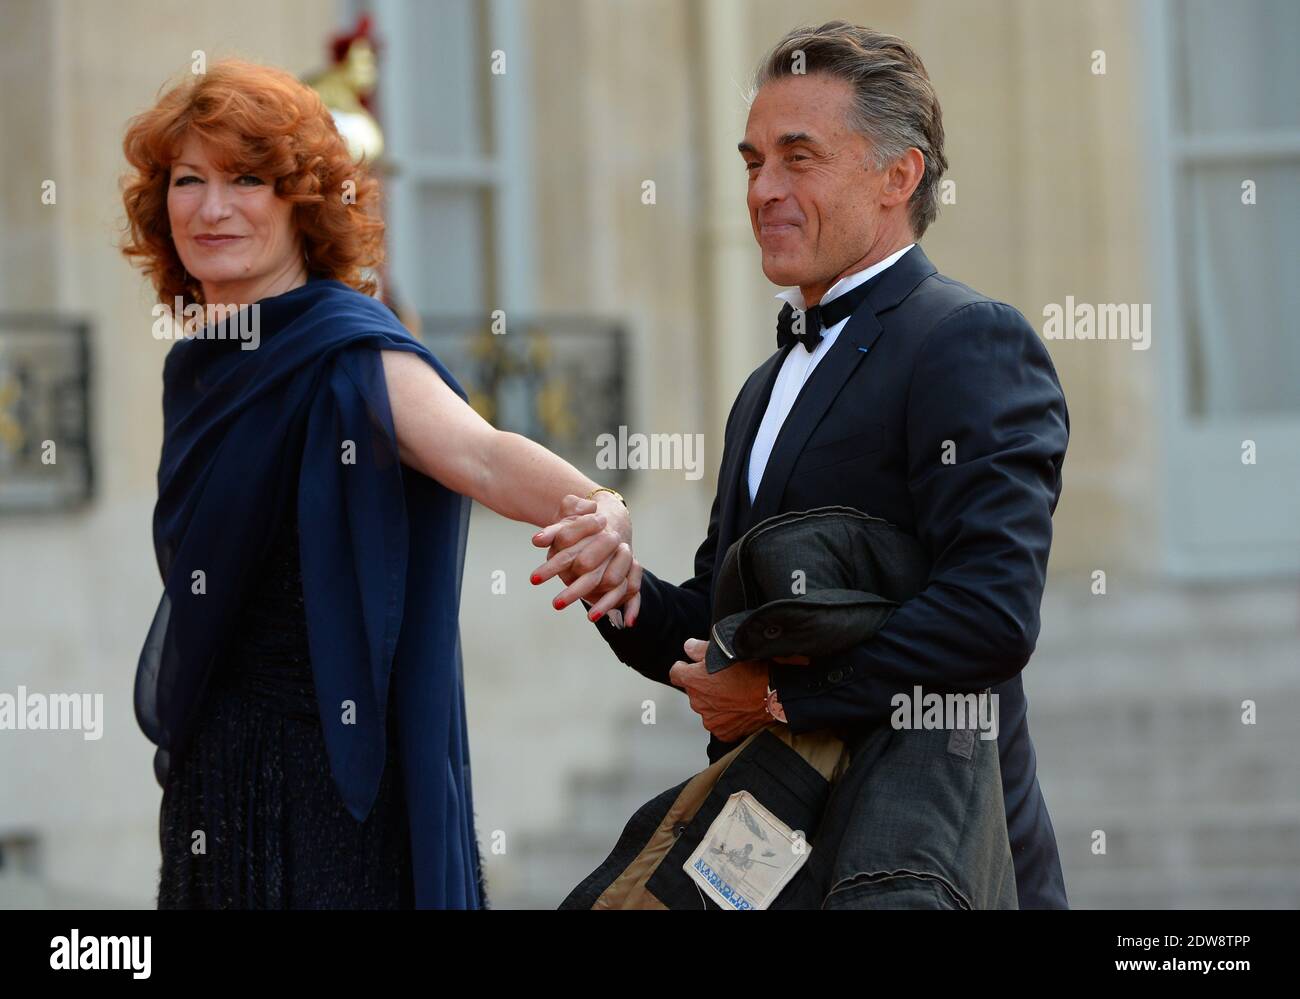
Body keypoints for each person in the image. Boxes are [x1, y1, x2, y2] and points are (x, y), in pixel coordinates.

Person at [534, 22, 1071, 909]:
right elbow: (721, 630)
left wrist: (781, 698)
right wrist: (615, 584)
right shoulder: (763, 386)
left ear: (900, 174)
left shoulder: (967, 339)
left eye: (798, 158)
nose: (763, 191)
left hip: (935, 855)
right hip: (781, 859)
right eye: (752, 163)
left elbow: (991, 613)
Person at [121, 59, 640, 909]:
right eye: (189, 180)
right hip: (218, 782)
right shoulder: (203, 366)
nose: (212, 208)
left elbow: (481, 454)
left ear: (301, 202)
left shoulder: (346, 347)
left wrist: (601, 507)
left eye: (246, 179)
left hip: (325, 796)